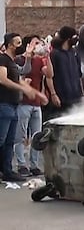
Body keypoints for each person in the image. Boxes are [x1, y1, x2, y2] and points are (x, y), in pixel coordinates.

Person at [0, 33, 43, 182]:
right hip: (3, 104)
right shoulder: (3, 59)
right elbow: (3, 79)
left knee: (9, 140)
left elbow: (22, 74)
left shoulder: (12, 62)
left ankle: (7, 171)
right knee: (1, 139)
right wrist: (23, 89)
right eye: (18, 43)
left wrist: (36, 93)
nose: (21, 46)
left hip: (13, 105)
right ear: (10, 45)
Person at [14, 36, 53, 177]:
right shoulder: (19, 60)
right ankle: (21, 164)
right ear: (28, 45)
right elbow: (18, 77)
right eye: (36, 43)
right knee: (21, 136)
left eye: (40, 43)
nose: (38, 46)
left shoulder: (39, 60)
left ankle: (34, 165)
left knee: (37, 135)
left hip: (36, 103)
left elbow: (49, 74)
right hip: (23, 102)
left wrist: (48, 56)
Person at [48, 26, 83, 118]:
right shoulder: (54, 54)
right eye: (74, 37)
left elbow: (79, 76)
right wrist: (53, 94)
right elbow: (49, 77)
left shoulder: (74, 53)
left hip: (75, 97)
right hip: (61, 98)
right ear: (68, 38)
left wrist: (82, 95)